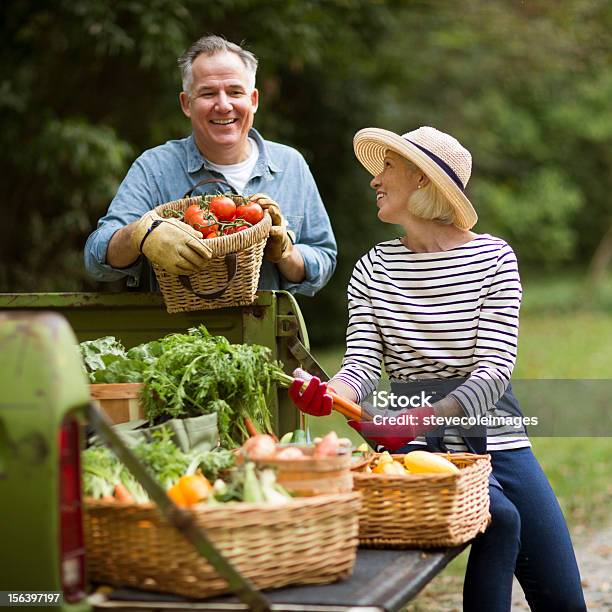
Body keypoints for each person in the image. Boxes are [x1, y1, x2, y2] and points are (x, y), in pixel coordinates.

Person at [289, 126, 586, 611]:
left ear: (423, 180)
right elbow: (362, 365)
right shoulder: (372, 269)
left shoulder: (493, 258)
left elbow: (494, 370)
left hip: (496, 433)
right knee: (502, 520)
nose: (373, 180)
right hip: (417, 446)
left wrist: (427, 414)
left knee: (565, 599)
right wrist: (331, 390)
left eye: (387, 167)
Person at [84, 35, 336, 296]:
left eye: (235, 92)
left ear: (254, 100)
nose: (224, 105)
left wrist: (286, 253)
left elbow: (324, 259)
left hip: (263, 331)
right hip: (177, 335)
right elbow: (96, 258)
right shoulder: (155, 167)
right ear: (186, 104)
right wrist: (140, 234)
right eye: (208, 93)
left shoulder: (290, 165)